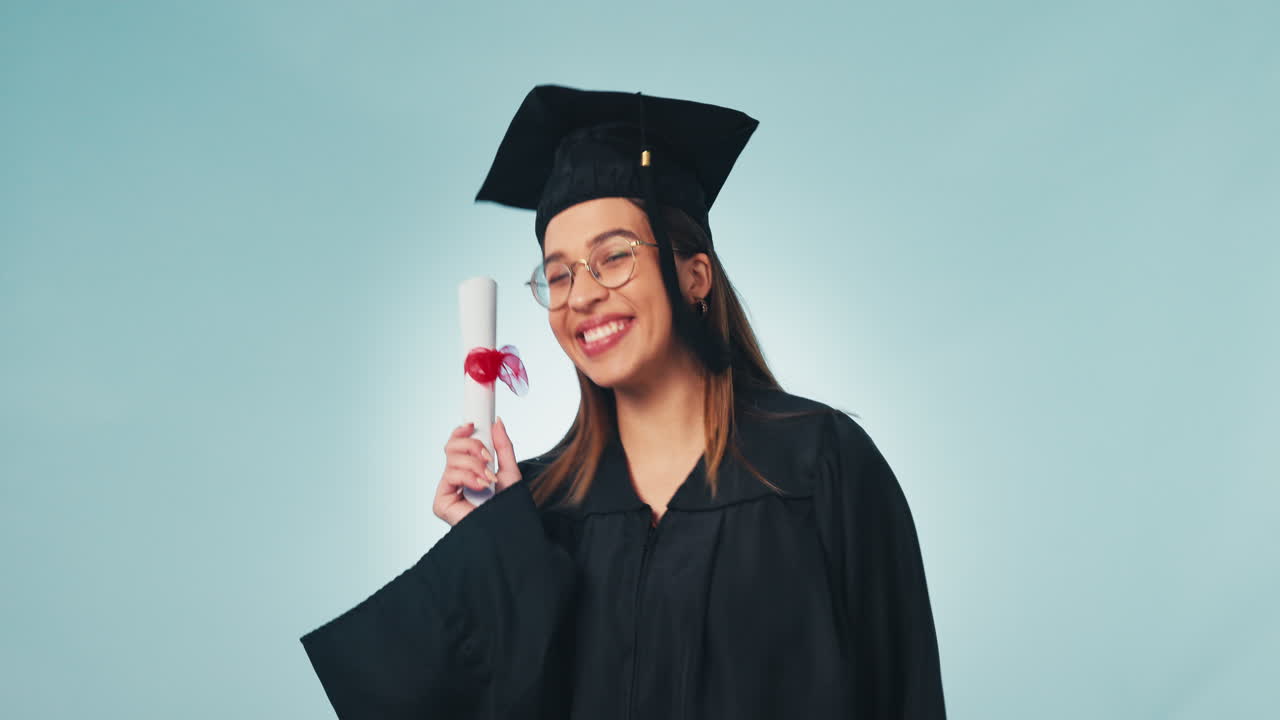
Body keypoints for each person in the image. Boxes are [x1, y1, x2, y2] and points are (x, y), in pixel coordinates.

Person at [300, 84, 946, 719]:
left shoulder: (816, 463)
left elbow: (902, 691)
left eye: (613, 257)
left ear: (695, 275)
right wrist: (492, 550)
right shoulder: (540, 507)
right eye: (557, 274)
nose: (581, 295)